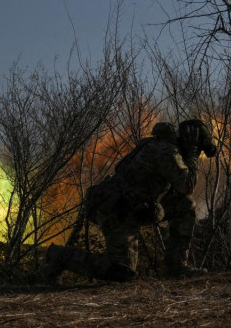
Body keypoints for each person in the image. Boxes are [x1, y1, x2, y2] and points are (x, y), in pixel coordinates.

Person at [43, 119, 217, 283]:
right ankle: (60, 256)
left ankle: (176, 267)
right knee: (122, 271)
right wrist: (192, 155)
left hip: (134, 208)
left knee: (185, 204)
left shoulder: (162, 146)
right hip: (116, 211)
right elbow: (187, 184)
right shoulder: (165, 151)